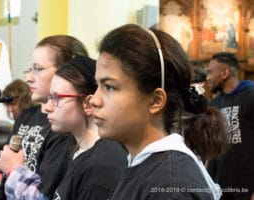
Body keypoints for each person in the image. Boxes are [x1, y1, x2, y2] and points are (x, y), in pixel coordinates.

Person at [89, 24, 228, 199]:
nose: (94, 100)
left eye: (109, 87)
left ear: (155, 101)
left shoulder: (169, 185)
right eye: (97, 86)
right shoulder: (144, 163)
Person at [0, 55, 127, 200]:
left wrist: (15, 172)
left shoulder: (101, 164)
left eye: (56, 98)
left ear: (87, 104)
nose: (47, 107)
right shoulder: (78, 151)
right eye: (49, 98)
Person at [0, 35, 88, 200]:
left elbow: (46, 192)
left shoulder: (64, 127)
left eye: (38, 69)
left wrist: (13, 170)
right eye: (30, 69)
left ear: (66, 71)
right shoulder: (26, 116)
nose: (29, 77)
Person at [206, 52, 254, 200]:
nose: (207, 78)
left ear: (225, 73)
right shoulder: (214, 105)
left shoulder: (251, 96)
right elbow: (212, 149)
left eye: (210, 72)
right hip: (221, 188)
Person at [0, 79, 35, 173]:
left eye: (13, 104)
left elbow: (30, 160)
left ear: (24, 100)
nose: (10, 109)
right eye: (7, 105)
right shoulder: (19, 122)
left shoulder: (35, 122)